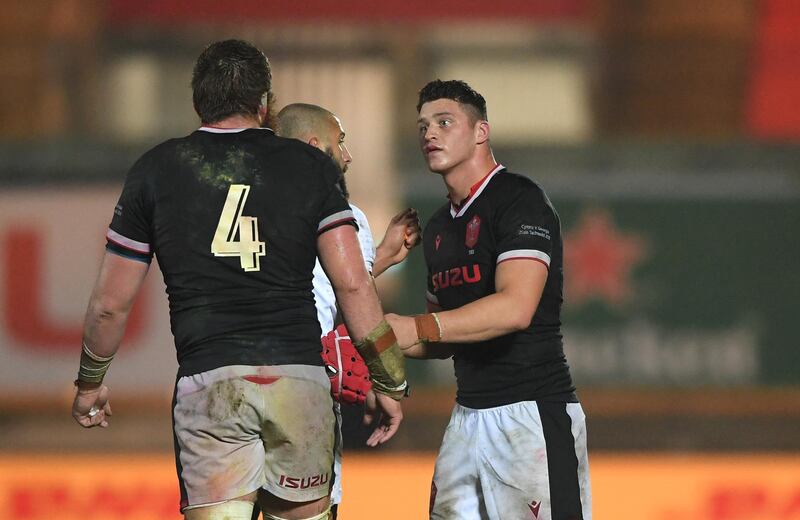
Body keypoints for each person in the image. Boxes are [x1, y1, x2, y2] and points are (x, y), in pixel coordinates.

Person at [70, 39, 408, 520]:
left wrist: (90, 383)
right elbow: (353, 285)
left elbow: (110, 304)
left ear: (196, 103)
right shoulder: (312, 169)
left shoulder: (156, 170)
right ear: (264, 104)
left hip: (211, 384)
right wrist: (390, 380)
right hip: (298, 380)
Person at [387, 80, 592, 520]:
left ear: (481, 132)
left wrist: (415, 328)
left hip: (532, 416)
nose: (430, 134)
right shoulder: (440, 226)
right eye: (423, 126)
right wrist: (384, 337)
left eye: (445, 122)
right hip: (467, 417)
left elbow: (515, 308)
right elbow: (445, 337)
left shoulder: (519, 199)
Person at [275, 102, 421, 518]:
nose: (348, 154)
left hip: (228, 382)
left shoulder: (241, 203)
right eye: (341, 142)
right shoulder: (340, 212)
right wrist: (389, 382)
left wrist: (382, 256)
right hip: (301, 391)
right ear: (314, 145)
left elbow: (324, 287)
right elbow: (353, 293)